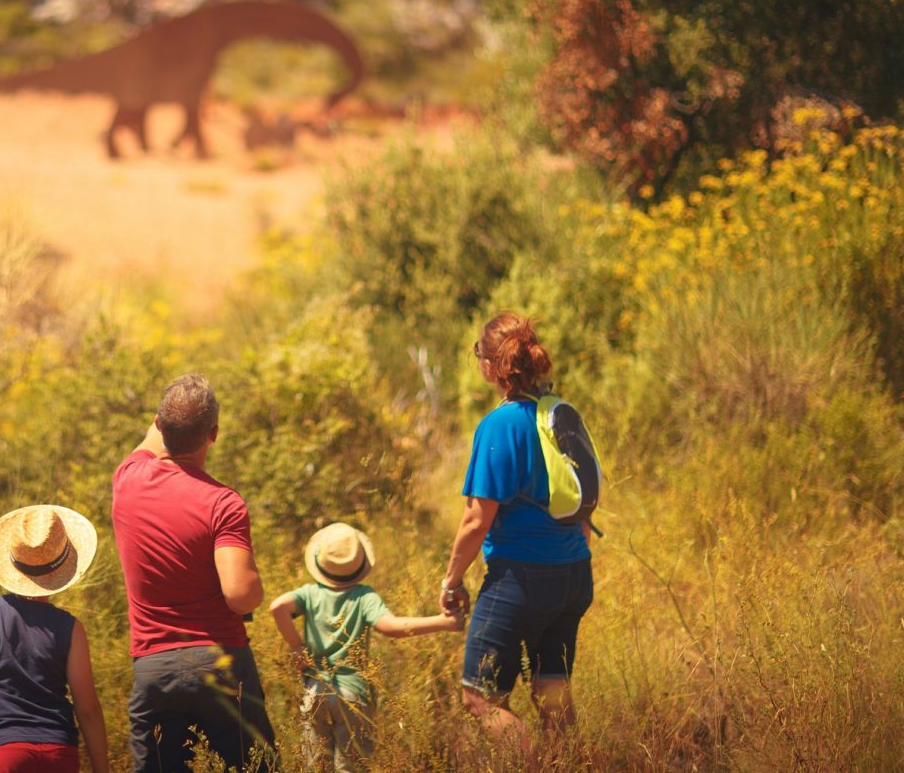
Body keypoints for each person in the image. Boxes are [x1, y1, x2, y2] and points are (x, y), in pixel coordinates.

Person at [440, 312, 594, 755]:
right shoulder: (562, 415)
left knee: (479, 698)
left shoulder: (499, 425)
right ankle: (573, 765)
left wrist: (451, 580)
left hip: (521, 581)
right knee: (552, 693)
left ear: (490, 366)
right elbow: (584, 498)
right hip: (574, 575)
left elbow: (475, 521)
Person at [111, 373, 278, 772]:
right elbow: (240, 595)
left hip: (154, 667)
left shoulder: (127, 479)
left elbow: (155, 436)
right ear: (214, 434)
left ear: (159, 424)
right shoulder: (223, 503)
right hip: (219, 659)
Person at [269, 522, 463, 772]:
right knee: (351, 766)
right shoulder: (364, 596)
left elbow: (277, 607)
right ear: (359, 565)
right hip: (352, 694)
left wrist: (297, 647)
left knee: (316, 765)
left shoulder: (309, 594)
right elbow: (390, 626)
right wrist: (443, 622)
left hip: (314, 690)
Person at [0, 505, 110, 773]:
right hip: (58, 753)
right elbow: (88, 708)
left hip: (3, 752)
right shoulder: (71, 628)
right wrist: (102, 768)